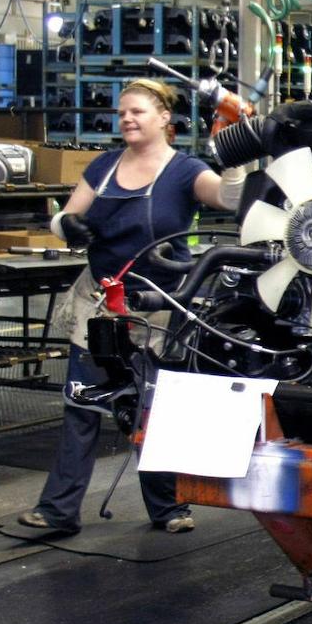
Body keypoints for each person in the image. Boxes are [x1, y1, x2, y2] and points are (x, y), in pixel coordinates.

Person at [18, 78, 246, 535]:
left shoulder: (185, 171)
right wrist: (70, 226)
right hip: (102, 305)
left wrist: (237, 153)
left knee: (155, 410)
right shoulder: (103, 167)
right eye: (122, 112)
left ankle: (167, 508)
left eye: (137, 111)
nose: (126, 119)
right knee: (82, 405)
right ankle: (59, 511)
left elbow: (231, 198)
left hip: (159, 308)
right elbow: (62, 217)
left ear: (164, 118)